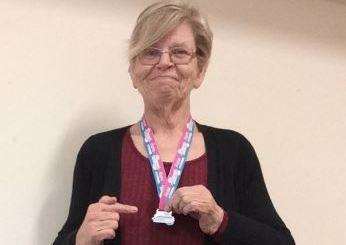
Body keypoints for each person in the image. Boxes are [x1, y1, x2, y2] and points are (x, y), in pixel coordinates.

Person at [53, 1, 295, 244]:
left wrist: (219, 220)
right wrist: (80, 240)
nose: (164, 62)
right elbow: (65, 238)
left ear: (199, 71)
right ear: (133, 71)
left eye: (178, 52)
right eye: (151, 52)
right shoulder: (98, 151)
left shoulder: (234, 152)